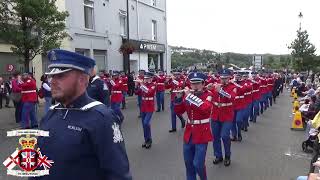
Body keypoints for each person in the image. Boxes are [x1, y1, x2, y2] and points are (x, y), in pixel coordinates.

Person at [30, 49, 132, 180]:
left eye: (60, 76)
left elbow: (118, 174)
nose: (52, 81)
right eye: (51, 76)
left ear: (83, 79)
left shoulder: (101, 118)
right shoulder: (50, 114)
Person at [175, 71, 213, 180]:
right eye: (192, 84)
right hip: (189, 133)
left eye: (198, 83)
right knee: (188, 163)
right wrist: (178, 98)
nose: (195, 86)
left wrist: (190, 96)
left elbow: (205, 109)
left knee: (198, 164)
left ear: (203, 83)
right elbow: (180, 111)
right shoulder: (188, 96)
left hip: (202, 133)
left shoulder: (208, 95)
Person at [209, 69, 236, 167]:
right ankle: (218, 155)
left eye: (226, 78)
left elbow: (232, 97)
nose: (223, 80)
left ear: (230, 78)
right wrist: (207, 87)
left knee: (225, 136)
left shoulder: (233, 87)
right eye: (222, 78)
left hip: (227, 115)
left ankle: (227, 156)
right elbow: (206, 93)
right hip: (215, 114)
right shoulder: (215, 86)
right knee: (215, 137)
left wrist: (220, 91)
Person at [139, 72, 156, 149]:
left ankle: (149, 139)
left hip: (149, 106)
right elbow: (137, 93)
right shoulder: (143, 85)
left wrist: (142, 85)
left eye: (148, 78)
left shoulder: (153, 85)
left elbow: (149, 92)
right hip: (143, 106)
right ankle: (146, 140)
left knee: (146, 123)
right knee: (144, 124)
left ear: (151, 78)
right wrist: (137, 86)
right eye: (145, 78)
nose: (146, 79)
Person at [230, 72, 245, 141]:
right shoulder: (231, 83)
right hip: (233, 104)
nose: (237, 77)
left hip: (240, 104)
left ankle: (239, 133)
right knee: (232, 121)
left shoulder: (243, 82)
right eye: (236, 76)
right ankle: (234, 134)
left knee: (238, 120)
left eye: (239, 76)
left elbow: (244, 89)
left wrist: (235, 84)